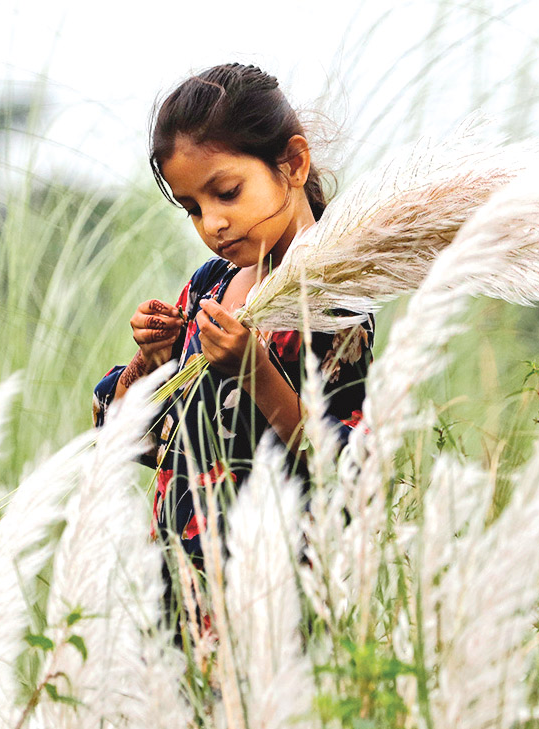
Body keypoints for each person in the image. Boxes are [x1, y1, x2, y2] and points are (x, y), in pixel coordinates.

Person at [92, 63, 373, 583]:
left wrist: (256, 372)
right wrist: (151, 362)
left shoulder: (332, 298)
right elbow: (140, 442)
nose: (212, 223)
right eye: (192, 208)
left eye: (226, 193)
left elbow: (342, 461)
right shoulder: (210, 287)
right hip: (184, 583)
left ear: (293, 163)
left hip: (272, 588)